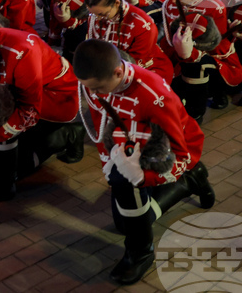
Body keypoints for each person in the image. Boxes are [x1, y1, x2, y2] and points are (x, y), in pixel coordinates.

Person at [72, 40, 213, 286]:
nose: (94, 95)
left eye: (98, 88)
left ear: (118, 72)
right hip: (131, 143)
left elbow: (180, 154)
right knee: (126, 223)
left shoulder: (154, 94)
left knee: (126, 186)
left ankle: (141, 252)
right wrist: (108, 158)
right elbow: (107, 122)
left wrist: (143, 178)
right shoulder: (104, 80)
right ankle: (189, 182)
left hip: (163, 148)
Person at [0, 22, 83, 205]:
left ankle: (68, 134)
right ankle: (4, 180)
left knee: (5, 136)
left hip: (55, 97)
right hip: (17, 94)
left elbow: (29, 110)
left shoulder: (22, 51)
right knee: (14, 163)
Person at [160, 0, 242, 121]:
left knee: (196, 66)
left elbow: (218, 45)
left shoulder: (214, 7)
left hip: (212, 56)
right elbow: (169, 38)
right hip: (178, 52)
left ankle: (197, 110)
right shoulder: (169, 4)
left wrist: (190, 52)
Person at [84, 0, 174, 84]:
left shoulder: (142, 24)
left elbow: (134, 64)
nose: (98, 18)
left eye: (102, 14)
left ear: (117, 3)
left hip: (146, 72)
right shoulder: (94, 17)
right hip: (110, 69)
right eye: (93, 14)